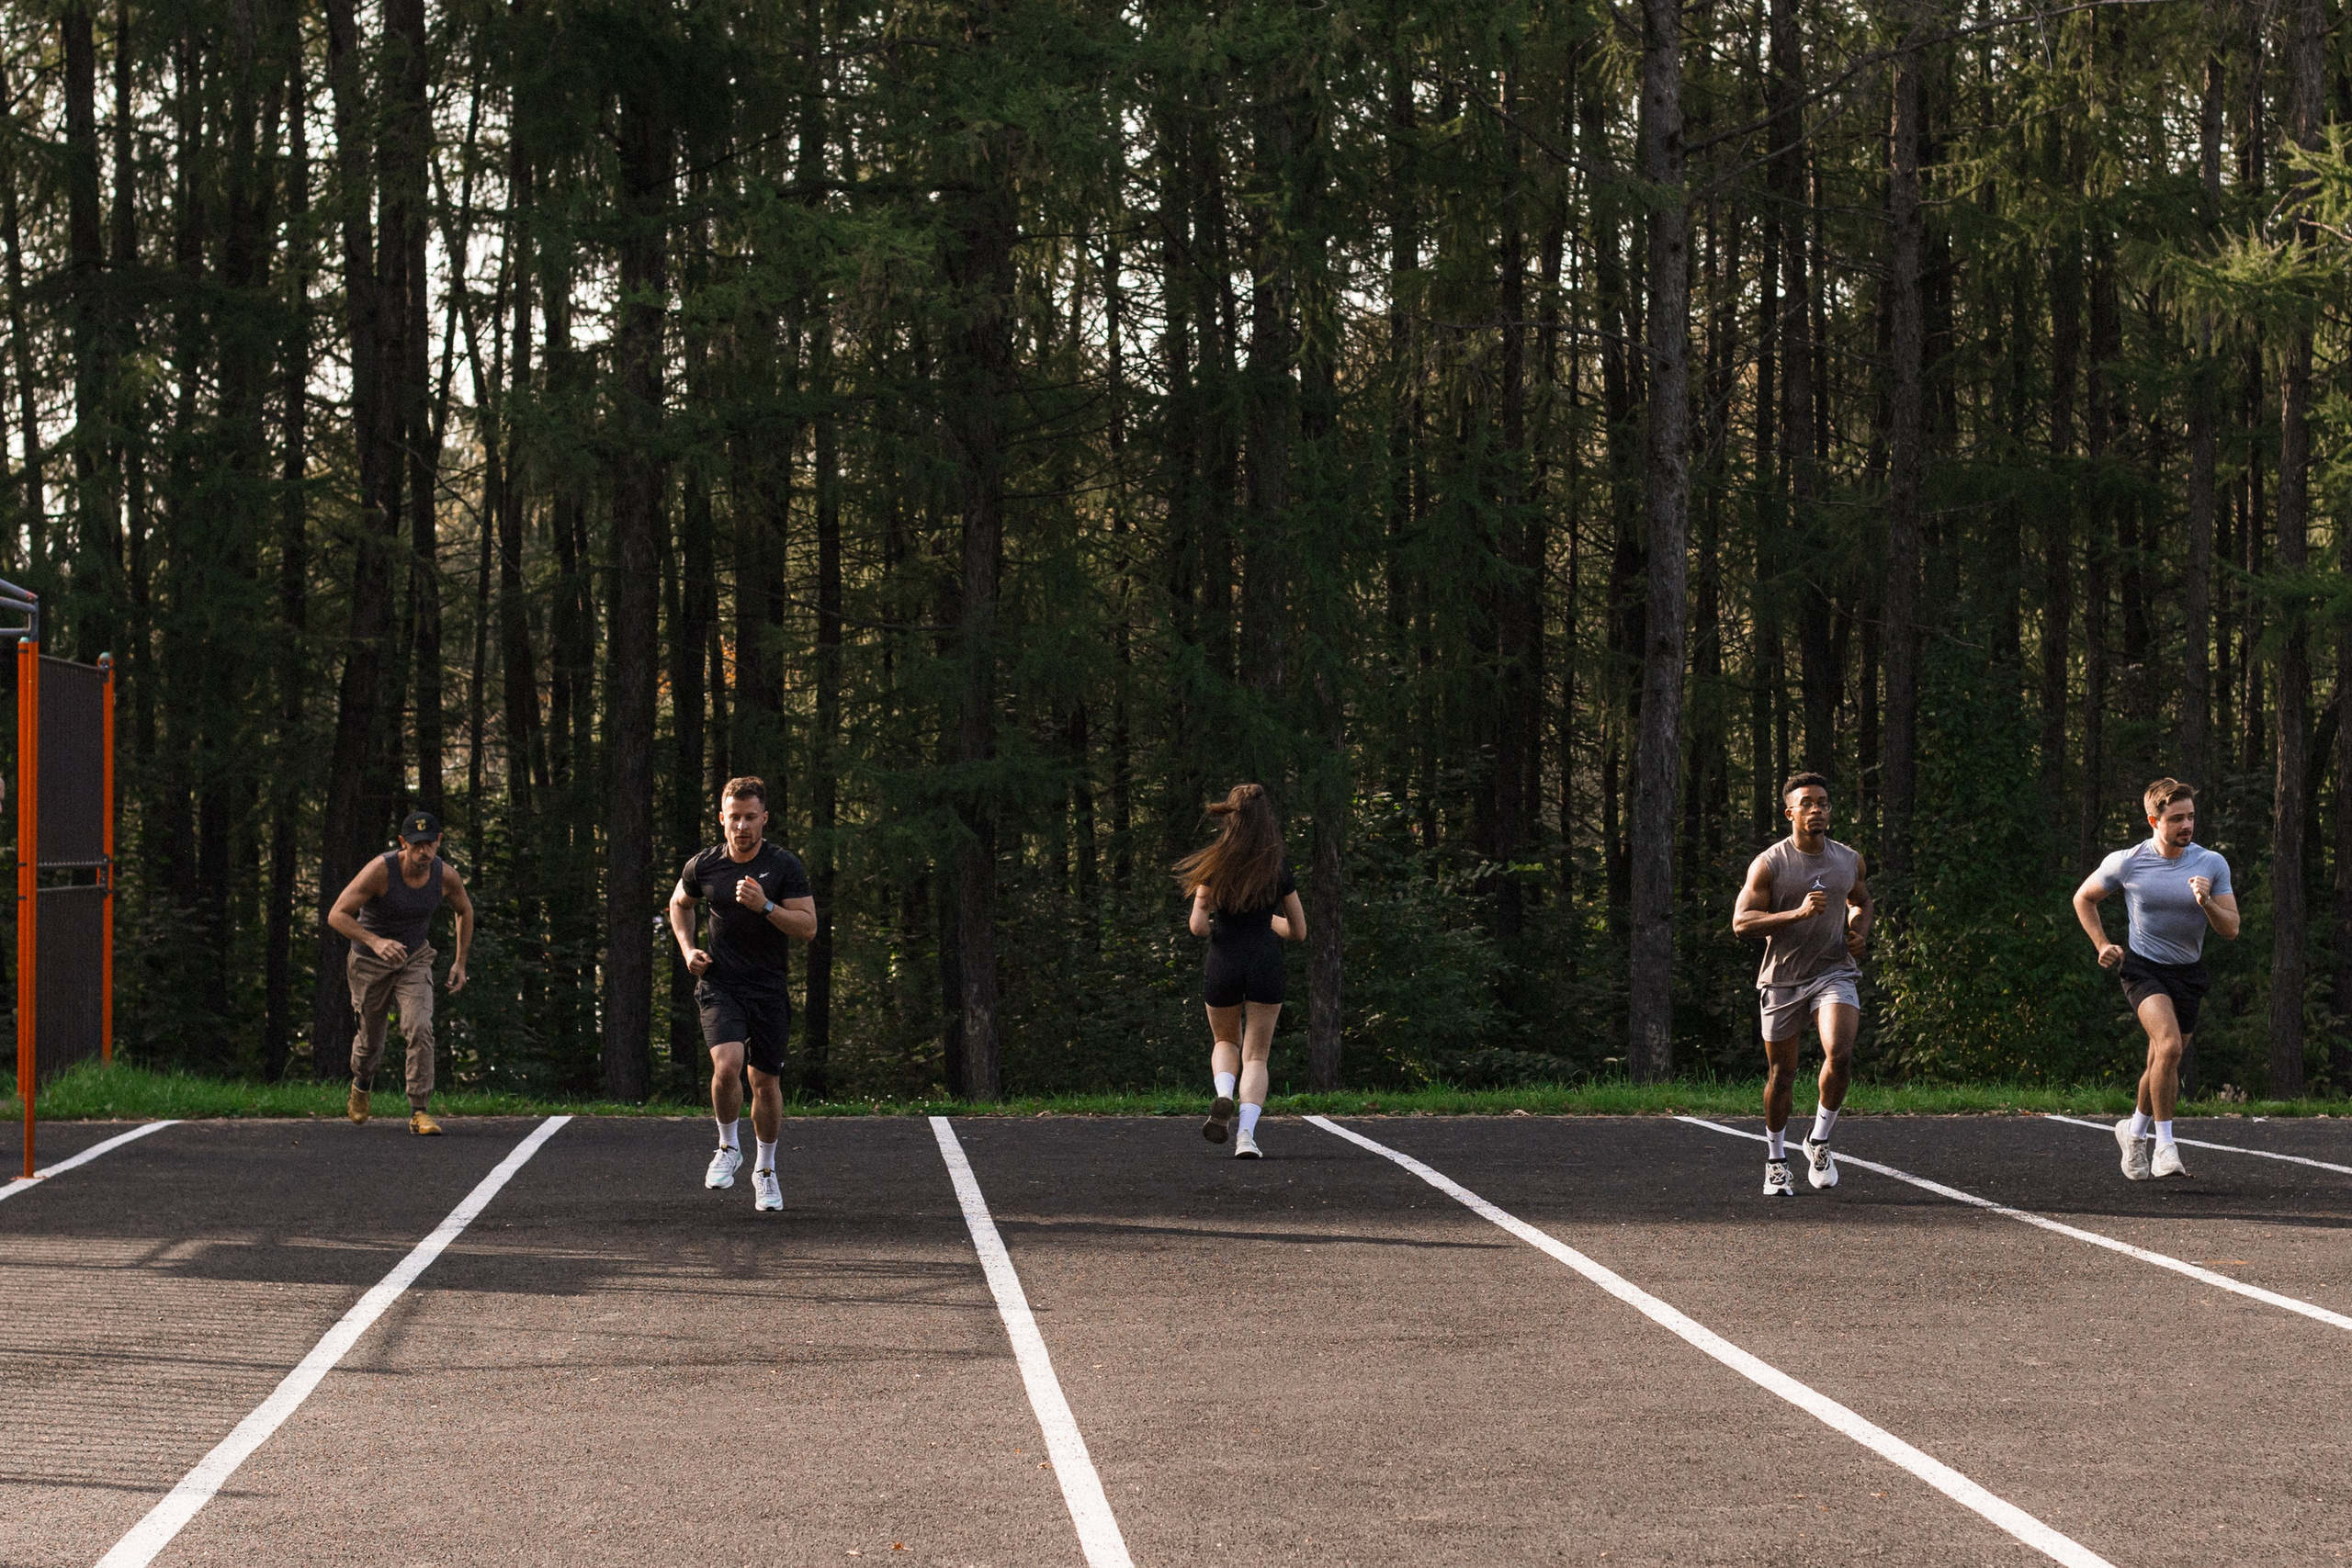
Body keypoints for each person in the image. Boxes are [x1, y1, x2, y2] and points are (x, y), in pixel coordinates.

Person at [2072, 778, 2238, 1180]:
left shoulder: (2211, 864)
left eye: (2191, 817)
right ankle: (2165, 1145)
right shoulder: (2127, 862)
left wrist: (2207, 902)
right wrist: (2101, 943)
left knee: (2161, 1060)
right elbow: (2083, 898)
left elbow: (2230, 929)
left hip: (2188, 973)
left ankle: (2133, 1131)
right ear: (2154, 820)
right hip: (2142, 968)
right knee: (2168, 1047)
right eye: (2177, 818)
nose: (2187, 825)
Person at [668, 776, 816, 1213]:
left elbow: (807, 927)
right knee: (727, 1063)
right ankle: (728, 1146)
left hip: (768, 987)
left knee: (765, 1082)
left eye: (751, 817)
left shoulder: (784, 865)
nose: (743, 826)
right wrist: (688, 949)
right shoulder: (704, 865)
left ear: (764, 818)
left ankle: (765, 1170)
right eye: (734, 818)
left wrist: (766, 906)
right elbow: (679, 903)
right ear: (722, 819)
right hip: (721, 984)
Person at [1731, 773, 1873, 1198]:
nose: (1817, 810)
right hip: (1783, 979)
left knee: (1840, 1053)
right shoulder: (1770, 863)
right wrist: (1794, 915)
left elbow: (1861, 899)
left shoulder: (1849, 859)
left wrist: (1858, 930)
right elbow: (1742, 923)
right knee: (1783, 1074)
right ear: (1790, 812)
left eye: (1824, 803)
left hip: (1834, 970)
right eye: (1807, 803)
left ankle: (1819, 1140)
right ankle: (1776, 1159)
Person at [1174, 783, 1306, 1159]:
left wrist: (1224, 928)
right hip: (1265, 963)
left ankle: (1222, 1095)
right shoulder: (1276, 866)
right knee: (1256, 1056)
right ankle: (1246, 1138)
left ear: (1230, 817)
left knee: (1224, 1043)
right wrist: (1267, 923)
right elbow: (1298, 931)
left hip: (1224, 962)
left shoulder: (1214, 863)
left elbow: (1198, 927)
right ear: (1267, 821)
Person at [326, 811, 475, 1135]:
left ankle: (419, 1110)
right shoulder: (380, 871)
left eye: (429, 844)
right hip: (369, 962)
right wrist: (375, 941)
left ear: (439, 842)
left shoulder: (445, 876)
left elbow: (464, 910)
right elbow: (336, 915)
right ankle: (362, 1084)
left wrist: (460, 963)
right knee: (370, 1042)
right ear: (403, 843)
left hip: (413, 959)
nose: (424, 852)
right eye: (417, 845)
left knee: (419, 1027)